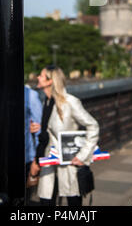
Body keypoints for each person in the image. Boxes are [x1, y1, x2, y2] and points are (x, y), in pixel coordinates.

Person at [30, 65, 99, 206]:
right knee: (46, 200)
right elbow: (50, 130)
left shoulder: (70, 102)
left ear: (50, 81)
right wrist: (41, 128)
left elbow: (93, 125)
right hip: (49, 161)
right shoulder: (47, 101)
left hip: (69, 163)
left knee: (73, 202)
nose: (38, 77)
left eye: (41, 75)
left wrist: (83, 156)